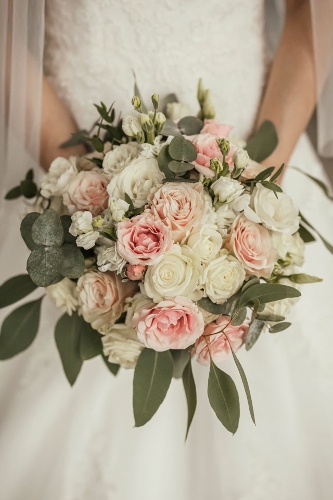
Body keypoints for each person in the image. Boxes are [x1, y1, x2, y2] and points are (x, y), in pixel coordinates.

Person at [0, 0, 333, 498]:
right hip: (68, 156)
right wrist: (84, 189)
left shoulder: (257, 178)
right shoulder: (82, 193)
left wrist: (253, 188)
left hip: (258, 150)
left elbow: (314, 19)